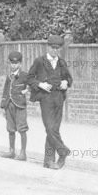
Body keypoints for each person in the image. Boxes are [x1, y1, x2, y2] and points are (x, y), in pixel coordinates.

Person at [27, 34, 73, 169]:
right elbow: (29, 78)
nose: (55, 50)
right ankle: (63, 151)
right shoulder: (39, 62)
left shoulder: (61, 63)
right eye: (52, 47)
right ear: (47, 47)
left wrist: (66, 82)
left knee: (53, 129)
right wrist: (40, 84)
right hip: (46, 99)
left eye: (58, 48)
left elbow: (69, 79)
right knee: (49, 128)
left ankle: (48, 161)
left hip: (59, 98)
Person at [0, 51, 29, 161]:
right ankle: (11, 151)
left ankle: (23, 153)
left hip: (20, 105)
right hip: (9, 105)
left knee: (22, 128)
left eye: (16, 63)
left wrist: (26, 91)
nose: (13, 65)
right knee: (10, 128)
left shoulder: (24, 75)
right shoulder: (9, 76)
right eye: (12, 63)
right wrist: (3, 106)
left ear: (20, 64)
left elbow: (32, 84)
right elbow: (5, 91)